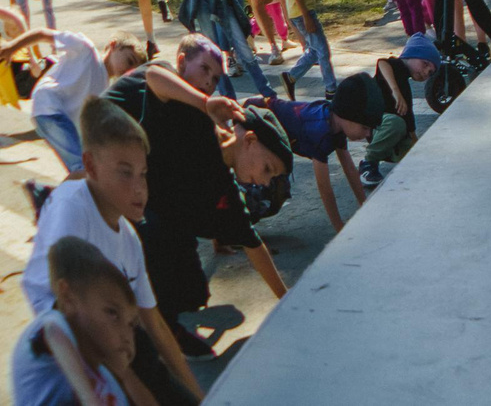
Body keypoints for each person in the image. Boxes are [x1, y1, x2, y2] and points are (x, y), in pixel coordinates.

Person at [104, 37, 289, 344]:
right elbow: (153, 76)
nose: (208, 81)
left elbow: (250, 240)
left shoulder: (212, 143)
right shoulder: (171, 84)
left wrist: (286, 299)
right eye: (267, 169)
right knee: (157, 237)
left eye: (215, 79)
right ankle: (160, 328)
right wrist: (205, 103)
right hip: (108, 149)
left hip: (147, 177)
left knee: (194, 292)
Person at [24, 99, 203, 403]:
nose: (139, 188)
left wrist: (197, 395)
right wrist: (128, 379)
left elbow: (153, 322)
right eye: (124, 172)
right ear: (91, 166)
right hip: (64, 348)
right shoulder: (73, 209)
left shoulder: (129, 237)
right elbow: (63, 312)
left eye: (142, 173)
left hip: (115, 337)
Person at [12, 237, 139, 406]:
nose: (126, 335)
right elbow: (53, 332)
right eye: (112, 313)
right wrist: (88, 396)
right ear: (68, 296)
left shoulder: (104, 379)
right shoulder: (53, 323)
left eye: (130, 324)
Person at [248, 79, 375, 234]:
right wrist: (339, 227)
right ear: (346, 118)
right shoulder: (319, 131)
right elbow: (324, 187)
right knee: (267, 191)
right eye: (365, 128)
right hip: (256, 123)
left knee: (276, 190)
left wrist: (364, 205)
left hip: (269, 124)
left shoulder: (335, 120)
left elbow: (349, 168)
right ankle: (236, 229)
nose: (367, 134)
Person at [27, 33, 146, 178]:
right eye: (129, 61)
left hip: (55, 116)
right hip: (49, 106)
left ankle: (52, 196)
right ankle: (48, 196)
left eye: (132, 71)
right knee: (81, 167)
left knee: (86, 170)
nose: (128, 71)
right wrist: (10, 48)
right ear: (114, 45)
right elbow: (42, 33)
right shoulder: (86, 49)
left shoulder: (106, 91)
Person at [357, 35, 441, 190]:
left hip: (385, 128)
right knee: (395, 123)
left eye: (430, 73)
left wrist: (417, 151)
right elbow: (382, 63)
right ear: (410, 55)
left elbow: (410, 125)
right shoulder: (396, 66)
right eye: (424, 64)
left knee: (409, 144)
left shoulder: (406, 87)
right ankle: (368, 163)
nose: (426, 71)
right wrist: (395, 90)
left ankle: (396, 157)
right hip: (372, 123)